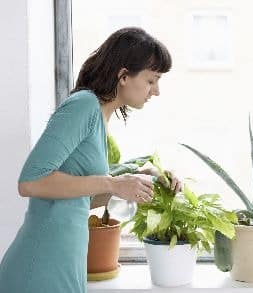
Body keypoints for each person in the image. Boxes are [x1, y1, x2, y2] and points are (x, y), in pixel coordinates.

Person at [0, 27, 182, 293]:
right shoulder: (83, 105)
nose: (156, 91)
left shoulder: (99, 117)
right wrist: (112, 183)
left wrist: (142, 179)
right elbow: (30, 181)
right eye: (151, 80)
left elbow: (81, 197)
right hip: (40, 267)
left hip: (64, 261)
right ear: (123, 76)